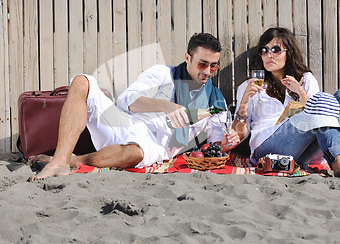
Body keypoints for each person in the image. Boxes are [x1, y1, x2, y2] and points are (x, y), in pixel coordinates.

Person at [28, 33, 240, 181]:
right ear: (187, 58)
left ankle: (73, 160)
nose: (208, 71)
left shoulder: (215, 101)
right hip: (123, 123)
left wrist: (227, 141)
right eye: (203, 64)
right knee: (82, 81)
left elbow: (214, 146)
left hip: (152, 144)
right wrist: (166, 106)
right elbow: (126, 101)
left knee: (134, 154)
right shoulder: (163, 74)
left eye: (213, 65)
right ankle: (58, 162)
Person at [232, 27, 340, 180]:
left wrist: (301, 94)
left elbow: (320, 117)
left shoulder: (306, 80)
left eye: (275, 49)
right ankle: (339, 165)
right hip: (267, 147)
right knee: (321, 102)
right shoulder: (249, 86)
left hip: (304, 151)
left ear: (288, 53)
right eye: (264, 50)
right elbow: (239, 134)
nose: (269, 55)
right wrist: (244, 102)